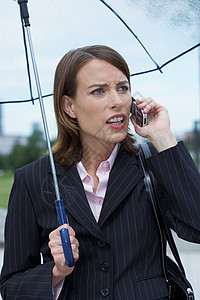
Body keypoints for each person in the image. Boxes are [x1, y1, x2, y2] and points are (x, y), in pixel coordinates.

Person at [0, 45, 200, 300]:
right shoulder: (32, 180)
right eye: (98, 91)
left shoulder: (152, 163)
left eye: (122, 88)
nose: (117, 102)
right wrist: (56, 271)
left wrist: (163, 137)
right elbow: (11, 287)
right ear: (69, 106)